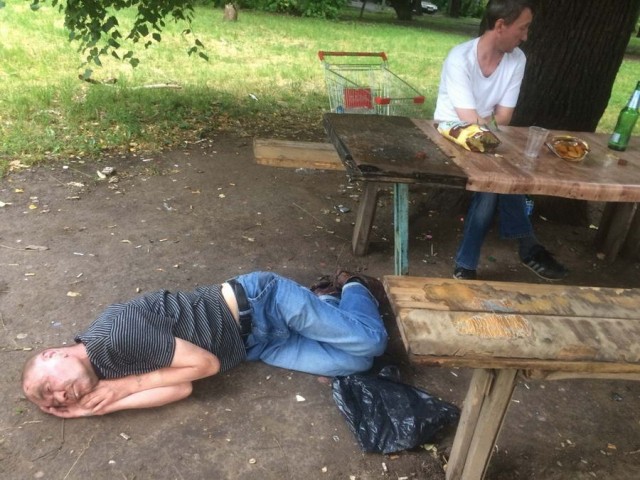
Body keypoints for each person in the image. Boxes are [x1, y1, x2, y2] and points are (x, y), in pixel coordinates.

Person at [22, 270, 388, 418]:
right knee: (356, 364)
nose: (61, 397)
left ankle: (353, 284)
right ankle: (325, 302)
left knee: (373, 343)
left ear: (51, 354)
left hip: (264, 302)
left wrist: (123, 388)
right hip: (257, 346)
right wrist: (97, 408)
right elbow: (179, 388)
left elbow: (206, 366)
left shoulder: (115, 335)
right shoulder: (106, 371)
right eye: (54, 403)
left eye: (48, 387)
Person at [434, 0, 568, 281]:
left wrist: (485, 123)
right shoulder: (460, 58)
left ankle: (466, 265)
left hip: (488, 136)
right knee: (497, 178)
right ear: (500, 26)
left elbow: (504, 117)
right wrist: (486, 121)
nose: (526, 36)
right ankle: (527, 247)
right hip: (449, 133)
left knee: (498, 178)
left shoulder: (517, 59)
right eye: (523, 28)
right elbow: (470, 120)